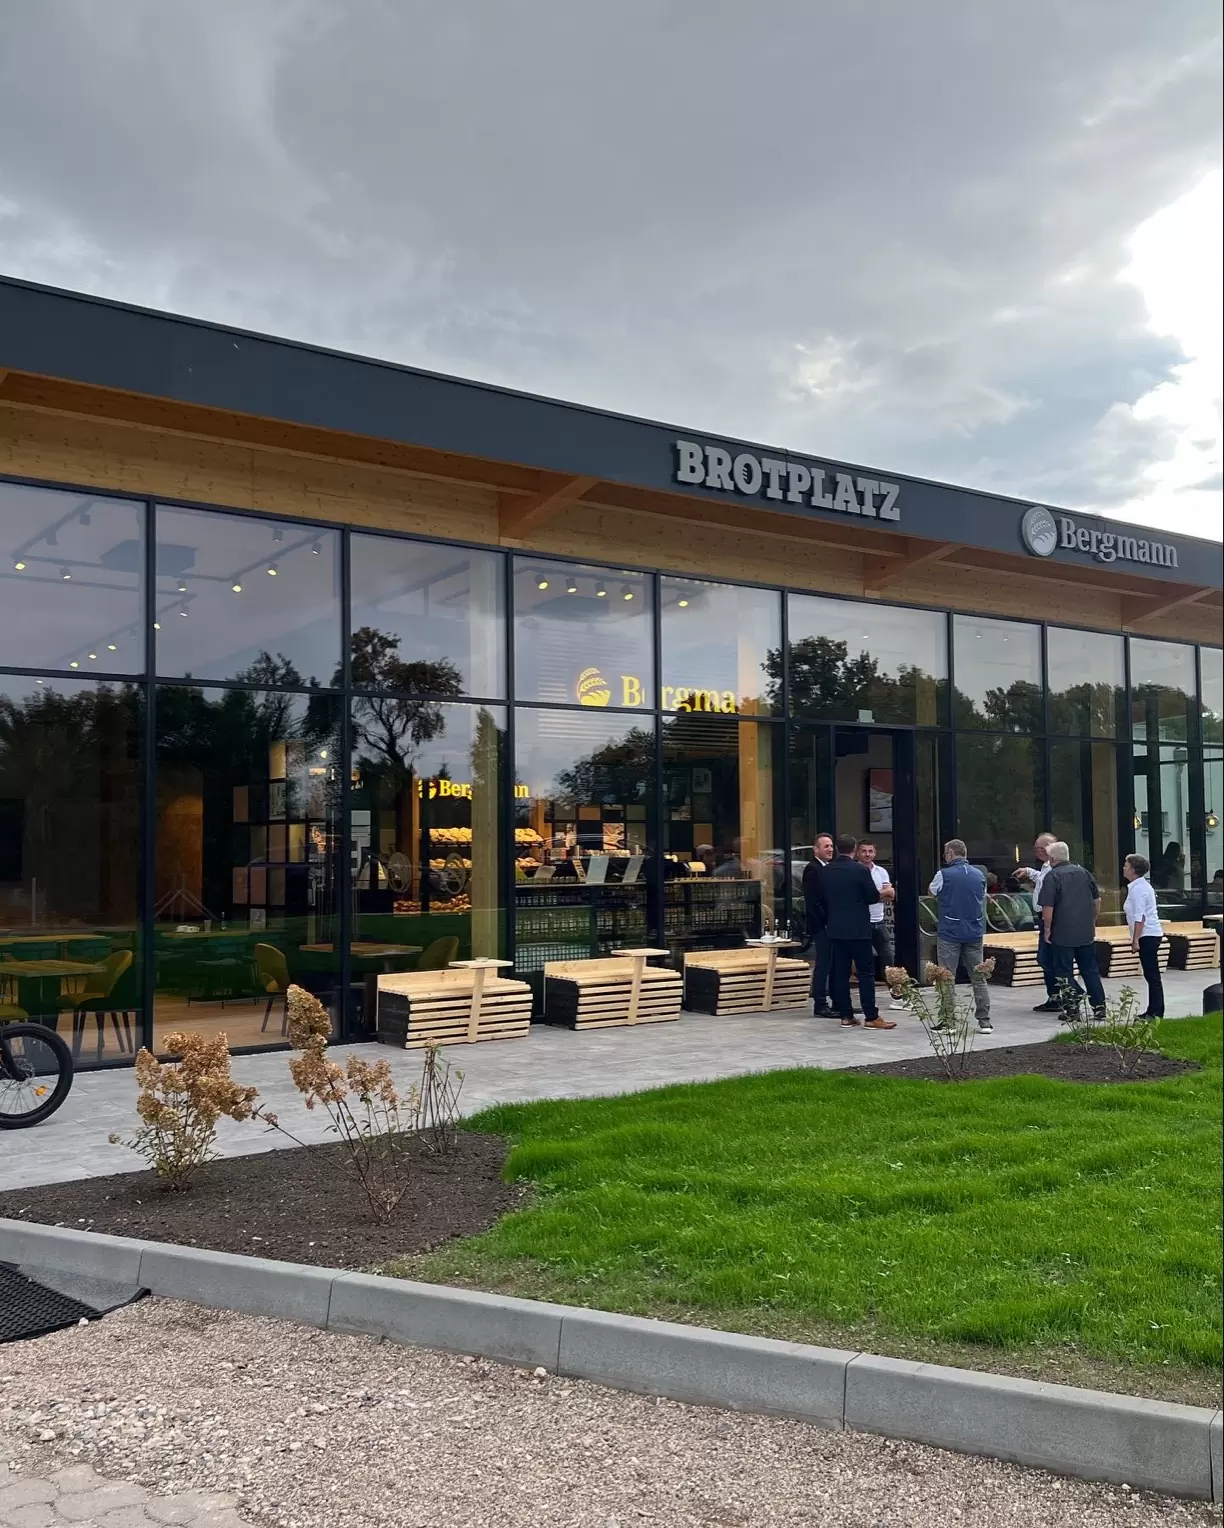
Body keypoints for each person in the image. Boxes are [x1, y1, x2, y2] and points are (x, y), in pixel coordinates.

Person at [814, 834, 895, 1029]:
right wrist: (884, 893)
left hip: (836, 929)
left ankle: (846, 1015)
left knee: (841, 973)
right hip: (859, 929)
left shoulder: (827, 871)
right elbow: (871, 896)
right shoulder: (860, 870)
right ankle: (871, 1016)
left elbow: (821, 899)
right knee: (866, 972)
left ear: (838, 849)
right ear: (854, 850)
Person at [928, 839, 993, 1033]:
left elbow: (931, 892)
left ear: (950, 854)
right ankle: (985, 1021)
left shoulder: (943, 874)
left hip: (950, 931)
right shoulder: (979, 874)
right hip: (974, 931)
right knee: (979, 977)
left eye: (945, 854)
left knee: (947, 977)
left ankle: (949, 1022)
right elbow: (982, 896)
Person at [1037, 840, 1106, 1017]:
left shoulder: (1052, 876)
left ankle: (1073, 1008)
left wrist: (1047, 930)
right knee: (1090, 970)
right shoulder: (1085, 873)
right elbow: (1097, 901)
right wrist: (1092, 921)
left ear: (1053, 858)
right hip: (1085, 932)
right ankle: (1099, 1008)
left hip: (1062, 932)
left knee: (1064, 971)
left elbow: (1048, 908)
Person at [856, 839, 905, 1012]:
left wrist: (873, 895)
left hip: (879, 922)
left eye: (870, 851)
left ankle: (898, 998)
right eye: (864, 851)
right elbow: (860, 898)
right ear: (857, 853)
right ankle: (866, 1002)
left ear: (875, 853)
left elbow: (890, 895)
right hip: (861, 923)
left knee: (888, 961)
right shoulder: (855, 871)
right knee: (864, 964)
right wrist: (880, 894)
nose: (867, 854)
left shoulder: (881, 871)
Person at [1016, 832, 1061, 1013]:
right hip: (1045, 918)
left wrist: (1048, 926)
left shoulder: (1054, 869)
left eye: (1039, 849)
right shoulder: (1046, 867)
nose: (1037, 852)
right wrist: (1029, 872)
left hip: (1049, 918)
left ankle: (1059, 997)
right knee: (1048, 959)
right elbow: (1041, 879)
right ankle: (1056, 996)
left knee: (1048, 959)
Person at [1123, 853, 1165, 1019]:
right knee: (1151, 974)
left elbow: (1139, 917)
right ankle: (1154, 1009)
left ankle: (1156, 1011)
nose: (1124, 868)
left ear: (1133, 870)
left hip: (1147, 935)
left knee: (1152, 974)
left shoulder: (1138, 889)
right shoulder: (1138, 886)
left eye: (1126, 865)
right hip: (1148, 934)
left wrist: (1135, 940)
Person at [801, 833, 835, 1016]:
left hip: (832, 925)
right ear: (816, 850)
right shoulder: (813, 869)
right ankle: (820, 1003)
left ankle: (836, 1001)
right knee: (823, 963)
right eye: (826, 846)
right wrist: (825, 923)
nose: (830, 849)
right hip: (822, 926)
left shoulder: (827, 868)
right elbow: (813, 902)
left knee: (833, 963)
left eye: (831, 846)